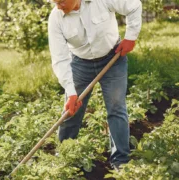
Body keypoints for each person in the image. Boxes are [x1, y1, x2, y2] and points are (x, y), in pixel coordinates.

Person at [48, 0, 142, 171]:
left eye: (61, 1)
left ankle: (120, 161)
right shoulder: (56, 18)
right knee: (71, 111)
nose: (58, 6)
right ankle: (65, 159)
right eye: (54, 2)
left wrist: (131, 37)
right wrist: (71, 92)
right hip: (80, 64)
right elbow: (60, 58)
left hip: (112, 58)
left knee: (116, 108)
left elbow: (134, 6)